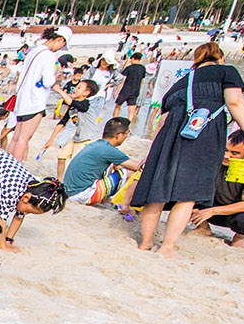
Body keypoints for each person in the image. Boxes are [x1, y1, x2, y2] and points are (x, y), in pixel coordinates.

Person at [130, 41, 244, 256]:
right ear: (220, 58)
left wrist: (150, 154)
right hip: (202, 137)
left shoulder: (180, 83)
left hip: (167, 139)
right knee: (187, 195)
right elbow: (235, 102)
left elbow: (162, 121)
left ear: (196, 60)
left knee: (157, 193)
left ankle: (145, 243)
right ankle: (166, 247)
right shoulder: (226, 72)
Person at [0, 148, 67, 251]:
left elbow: (19, 216)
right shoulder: (12, 191)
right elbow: (1, 219)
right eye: (28, 211)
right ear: (25, 198)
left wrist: (8, 240)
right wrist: (3, 246)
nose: (25, 213)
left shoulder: (32, 191)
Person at [190, 131, 244, 248]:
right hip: (213, 206)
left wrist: (212, 211)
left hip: (240, 212)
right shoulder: (216, 158)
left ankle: (239, 238)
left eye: (235, 153)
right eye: (226, 150)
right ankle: (203, 227)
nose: (227, 156)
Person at [8, 27, 70, 161]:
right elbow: (48, 81)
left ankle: (6, 167)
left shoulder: (34, 50)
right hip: (35, 101)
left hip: (22, 99)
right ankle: (13, 170)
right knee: (24, 139)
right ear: (60, 40)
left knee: (16, 137)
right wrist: (56, 76)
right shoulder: (48, 55)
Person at [65, 118, 144, 208]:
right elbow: (139, 167)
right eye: (127, 133)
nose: (127, 136)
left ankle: (106, 200)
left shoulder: (96, 144)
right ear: (118, 135)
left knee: (113, 164)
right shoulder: (109, 150)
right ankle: (125, 205)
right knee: (133, 173)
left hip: (71, 192)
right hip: (83, 195)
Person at [37, 78, 101, 181]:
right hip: (77, 138)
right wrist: (51, 140)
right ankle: (60, 181)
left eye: (79, 87)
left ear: (86, 93)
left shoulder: (85, 104)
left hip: (89, 139)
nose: (75, 89)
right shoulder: (72, 106)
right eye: (76, 86)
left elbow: (72, 103)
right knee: (61, 158)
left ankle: (78, 184)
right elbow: (62, 122)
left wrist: (59, 90)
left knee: (77, 164)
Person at [113, 52, 148, 125]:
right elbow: (142, 81)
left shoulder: (129, 68)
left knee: (117, 107)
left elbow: (122, 80)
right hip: (135, 91)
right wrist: (139, 90)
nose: (130, 61)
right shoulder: (143, 68)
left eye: (131, 59)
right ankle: (128, 126)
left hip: (125, 90)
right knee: (131, 110)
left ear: (133, 58)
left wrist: (116, 91)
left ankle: (114, 122)